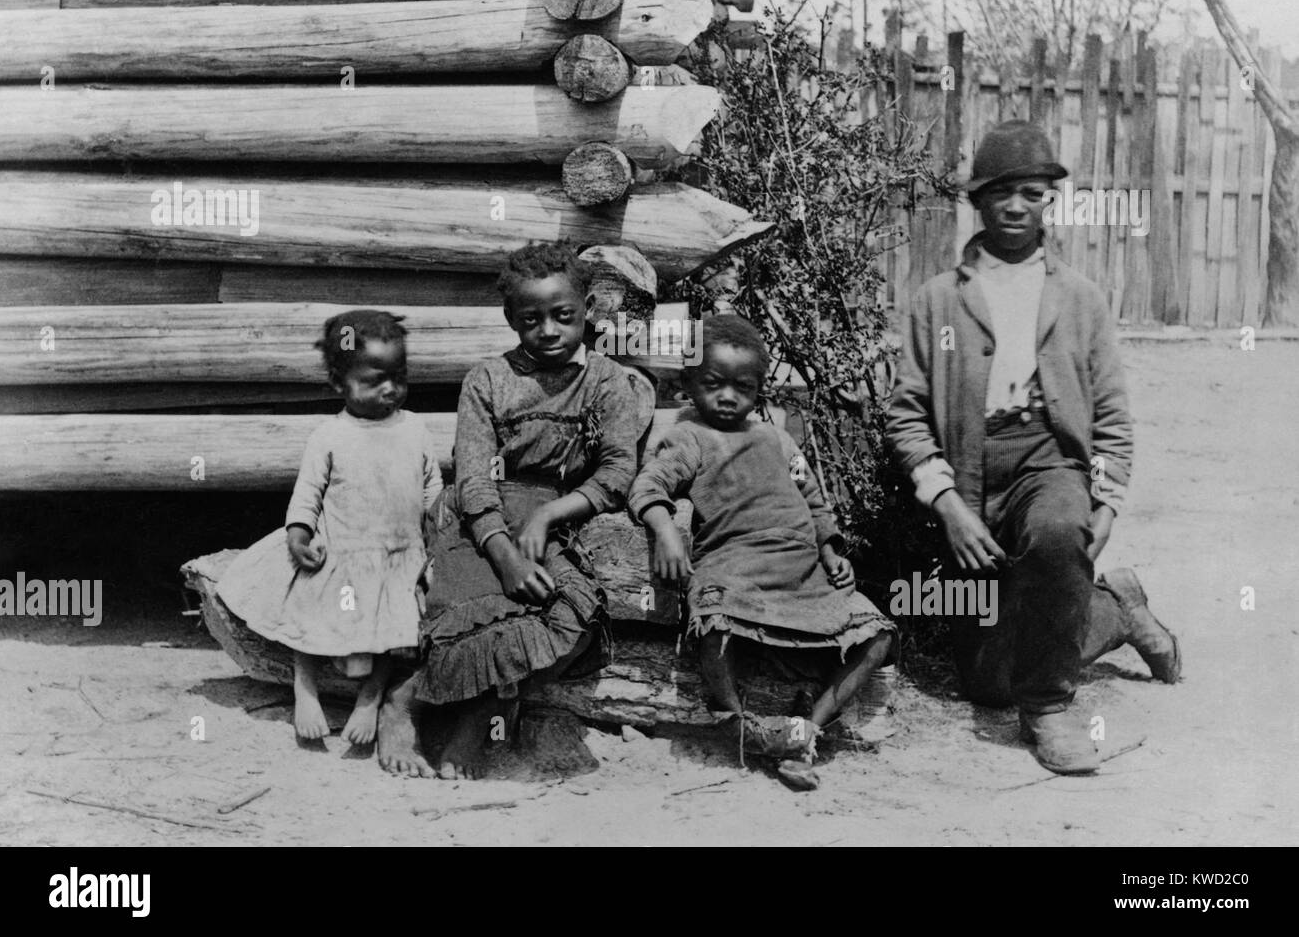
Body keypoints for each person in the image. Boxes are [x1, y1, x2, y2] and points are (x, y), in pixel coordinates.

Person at [886, 119, 1181, 776]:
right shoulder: (938, 300)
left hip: (1049, 461)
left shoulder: (1080, 300)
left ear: (1050, 199)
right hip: (969, 477)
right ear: (978, 201)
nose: (1016, 206)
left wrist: (1103, 502)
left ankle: (1051, 706)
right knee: (988, 682)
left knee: (1056, 528)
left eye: (1032, 192)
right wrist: (949, 505)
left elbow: (1111, 418)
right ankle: (1115, 607)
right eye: (1001, 192)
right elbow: (905, 412)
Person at [378, 241, 640, 779]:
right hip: (480, 519)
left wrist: (549, 518)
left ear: (587, 310)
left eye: (562, 316)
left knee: (572, 614)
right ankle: (404, 704)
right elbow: (473, 478)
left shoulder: (608, 382)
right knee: (465, 610)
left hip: (555, 516)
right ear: (511, 320)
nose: (548, 330)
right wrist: (502, 554)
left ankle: (482, 715)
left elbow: (616, 473)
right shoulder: (488, 380)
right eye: (531, 319)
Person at [629, 314, 897, 790]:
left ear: (759, 391)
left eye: (743, 387)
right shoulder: (688, 437)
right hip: (736, 568)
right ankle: (741, 727)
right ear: (689, 383)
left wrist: (832, 549)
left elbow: (813, 499)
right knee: (714, 628)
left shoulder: (776, 437)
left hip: (803, 573)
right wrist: (665, 529)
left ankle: (806, 732)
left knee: (877, 636)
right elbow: (649, 484)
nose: (728, 396)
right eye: (713, 383)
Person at [217, 310, 441, 747]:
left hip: (399, 554)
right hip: (341, 551)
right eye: (373, 380)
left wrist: (438, 529)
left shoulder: (415, 429)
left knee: (393, 629)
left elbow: (431, 484)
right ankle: (306, 689)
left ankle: (370, 697)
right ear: (339, 384)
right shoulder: (330, 435)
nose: (390, 389)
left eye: (398, 376)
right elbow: (307, 493)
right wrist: (299, 534)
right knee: (311, 609)